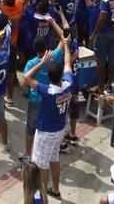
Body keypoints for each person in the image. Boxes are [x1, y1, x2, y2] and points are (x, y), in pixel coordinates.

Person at [22, 38, 73, 203]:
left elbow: (26, 77)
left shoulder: (47, 91)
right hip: (60, 129)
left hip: (46, 133)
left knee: (40, 166)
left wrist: (41, 63)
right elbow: (67, 62)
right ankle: (55, 189)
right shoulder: (68, 84)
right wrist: (66, 45)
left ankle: (43, 199)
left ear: (49, 77)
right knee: (54, 158)